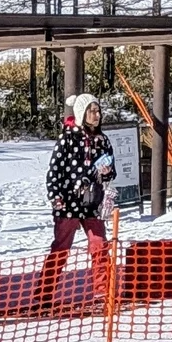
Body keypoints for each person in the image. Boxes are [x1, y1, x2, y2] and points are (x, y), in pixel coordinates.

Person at [35, 93, 118, 308]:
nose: (97, 115)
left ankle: (102, 292)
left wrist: (107, 172)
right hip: (68, 203)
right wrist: (56, 196)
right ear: (82, 114)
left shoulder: (102, 140)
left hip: (92, 202)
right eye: (92, 111)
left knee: (99, 246)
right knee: (61, 248)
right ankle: (43, 295)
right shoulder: (68, 139)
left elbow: (111, 172)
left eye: (98, 111)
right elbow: (54, 171)